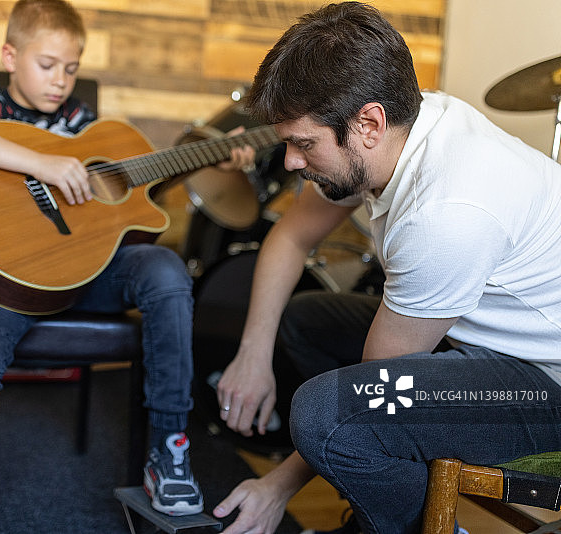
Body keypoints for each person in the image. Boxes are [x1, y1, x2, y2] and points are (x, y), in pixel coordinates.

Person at [211, 2, 561, 533]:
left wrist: (275, 487)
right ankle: (393, 487)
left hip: (545, 390)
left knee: (327, 416)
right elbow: (291, 235)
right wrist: (252, 356)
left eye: (304, 144)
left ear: (368, 123)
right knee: (307, 321)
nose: (291, 163)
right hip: (494, 348)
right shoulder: (407, 125)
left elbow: (375, 388)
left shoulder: (445, 212)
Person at [0, 1, 255, 532]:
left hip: (91, 273)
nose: (60, 81)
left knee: (165, 268)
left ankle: (168, 452)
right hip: (9, 277)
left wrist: (212, 159)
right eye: (46, 65)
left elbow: (125, 204)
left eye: (71, 68)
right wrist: (41, 163)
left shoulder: (86, 124)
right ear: (10, 56)